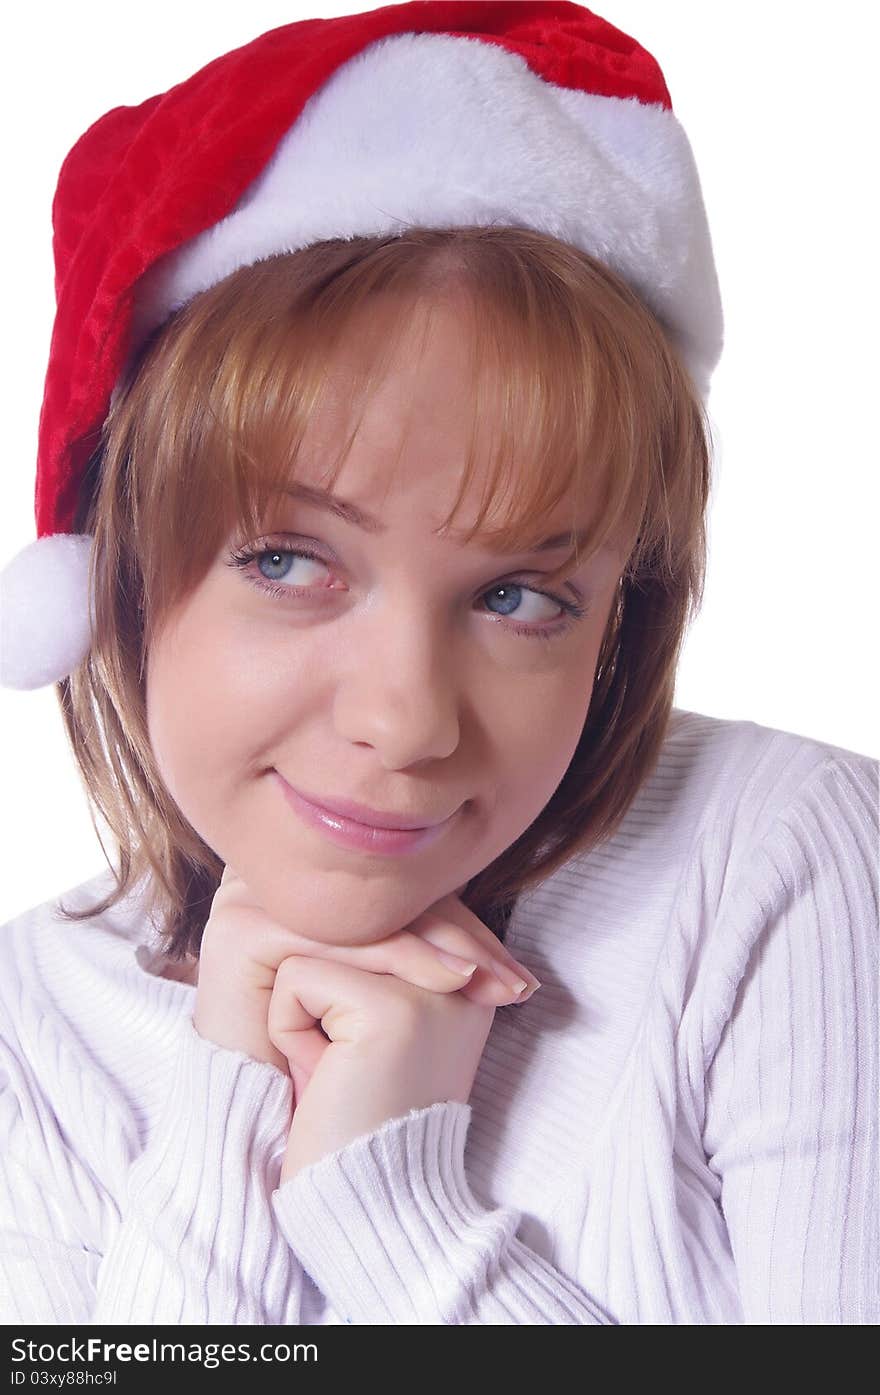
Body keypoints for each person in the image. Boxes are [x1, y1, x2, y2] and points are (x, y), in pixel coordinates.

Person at [0, 0, 876, 1327]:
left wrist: (386, 1206)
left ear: (621, 622)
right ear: (113, 568)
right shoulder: (27, 1035)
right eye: (287, 561)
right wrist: (227, 1103)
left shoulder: (782, 866)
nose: (407, 722)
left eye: (520, 594)